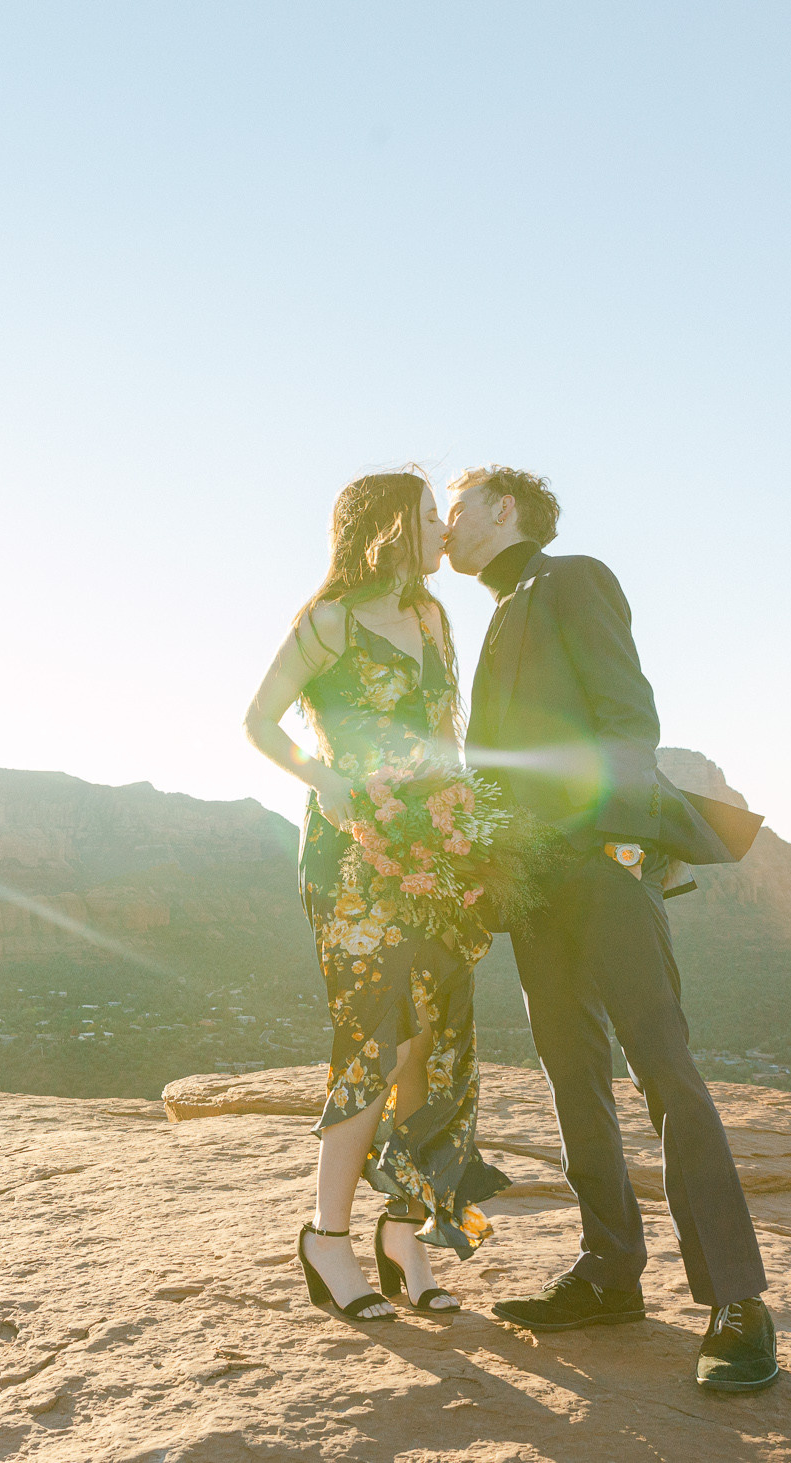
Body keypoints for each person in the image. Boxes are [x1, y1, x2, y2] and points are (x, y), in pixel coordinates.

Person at [444, 464, 780, 1392]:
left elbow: (629, 720)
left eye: (458, 508)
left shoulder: (573, 578)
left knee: (662, 1067)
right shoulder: (498, 609)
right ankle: (608, 1272)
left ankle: (738, 1302)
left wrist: (621, 846)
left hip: (602, 864)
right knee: (572, 1073)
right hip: (531, 888)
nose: (446, 526)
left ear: (504, 509)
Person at [245, 466, 511, 1323]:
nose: (444, 530)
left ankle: (405, 1232)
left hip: (434, 847)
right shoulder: (327, 620)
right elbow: (258, 720)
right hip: (352, 852)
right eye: (431, 515)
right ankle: (328, 1239)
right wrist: (324, 777)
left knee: (430, 1040)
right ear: (391, 526)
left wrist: (465, 830)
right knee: (372, 1038)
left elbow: (445, 736)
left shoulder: (434, 617)